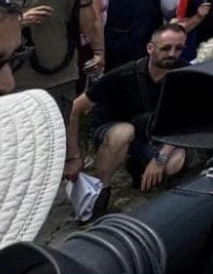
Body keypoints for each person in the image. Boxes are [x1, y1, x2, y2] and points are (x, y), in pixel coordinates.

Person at [65, 24, 188, 221]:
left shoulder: (186, 74)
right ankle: (99, 191)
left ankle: (142, 168)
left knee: (173, 163)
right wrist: (74, 156)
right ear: (150, 48)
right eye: (166, 48)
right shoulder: (123, 75)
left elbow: (186, 121)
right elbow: (74, 108)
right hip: (116, 130)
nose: (172, 54)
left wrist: (160, 158)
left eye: (179, 48)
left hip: (156, 135)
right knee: (123, 132)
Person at [4, 0, 103, 116]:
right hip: (16, 82)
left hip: (61, 80)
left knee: (59, 128)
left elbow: (87, 27)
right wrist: (19, 22)